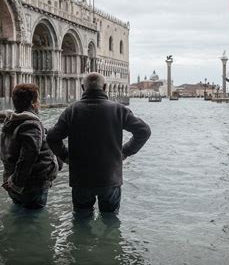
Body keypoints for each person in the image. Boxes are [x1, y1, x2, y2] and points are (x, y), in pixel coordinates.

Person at [47, 72, 151, 215]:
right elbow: (144, 131)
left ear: (83, 87)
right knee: (110, 221)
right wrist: (125, 151)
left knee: (81, 220)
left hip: (81, 178)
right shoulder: (118, 109)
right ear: (105, 87)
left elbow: (52, 137)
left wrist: (66, 156)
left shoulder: (72, 111)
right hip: (110, 177)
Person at [0, 83, 59, 209]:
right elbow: (28, 157)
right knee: (34, 219)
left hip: (13, 180)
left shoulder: (10, 122)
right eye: (38, 99)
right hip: (32, 185)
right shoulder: (31, 124)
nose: (39, 103)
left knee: (20, 214)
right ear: (33, 102)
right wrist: (16, 184)